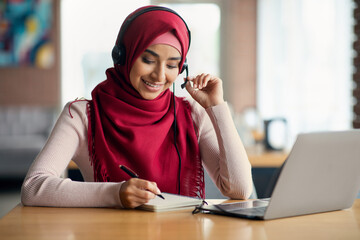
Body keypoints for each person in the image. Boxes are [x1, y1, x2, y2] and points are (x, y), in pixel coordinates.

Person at [21, 5, 253, 209]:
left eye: (172, 65)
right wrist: (115, 193)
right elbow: (33, 187)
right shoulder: (82, 115)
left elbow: (240, 190)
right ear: (123, 56)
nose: (160, 75)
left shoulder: (193, 114)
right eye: (148, 60)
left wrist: (217, 107)